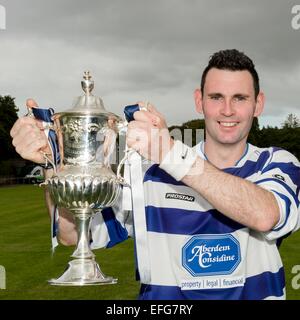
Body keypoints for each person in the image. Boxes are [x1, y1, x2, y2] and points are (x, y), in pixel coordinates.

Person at [10, 49, 300, 300]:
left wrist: (168, 152)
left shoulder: (276, 163)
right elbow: (72, 233)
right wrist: (54, 159)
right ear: (199, 101)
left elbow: (265, 214)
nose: (227, 110)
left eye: (240, 98)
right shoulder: (151, 174)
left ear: (258, 104)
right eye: (216, 97)